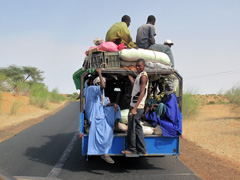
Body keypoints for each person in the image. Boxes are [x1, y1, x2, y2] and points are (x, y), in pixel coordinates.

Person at [84, 68, 121, 164]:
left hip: (101, 116)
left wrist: (113, 104)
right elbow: (103, 85)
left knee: (117, 108)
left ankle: (116, 126)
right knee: (107, 131)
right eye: (102, 83)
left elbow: (105, 104)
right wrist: (100, 73)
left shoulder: (101, 95)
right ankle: (104, 153)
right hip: (95, 118)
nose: (104, 86)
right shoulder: (91, 90)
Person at [122, 58, 149, 155]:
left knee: (132, 128)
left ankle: (132, 149)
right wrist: (130, 75)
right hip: (136, 105)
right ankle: (142, 150)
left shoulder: (143, 77)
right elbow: (135, 85)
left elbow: (142, 93)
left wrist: (134, 108)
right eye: (136, 65)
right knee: (137, 127)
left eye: (139, 66)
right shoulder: (140, 75)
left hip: (137, 107)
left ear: (144, 66)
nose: (137, 67)